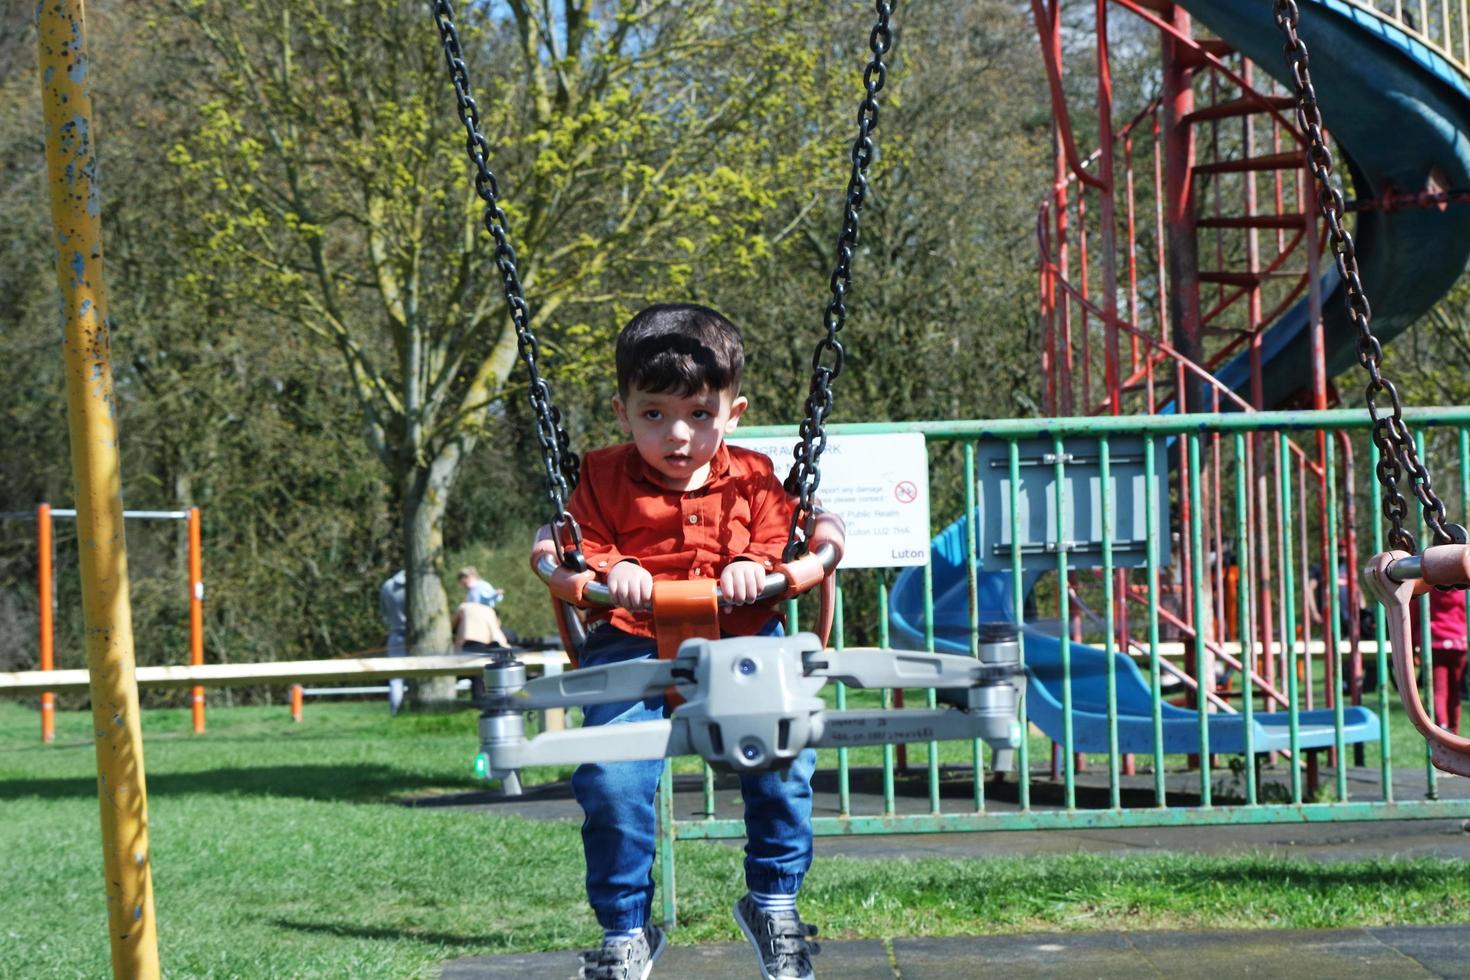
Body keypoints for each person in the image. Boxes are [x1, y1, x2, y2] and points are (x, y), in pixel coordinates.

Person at [567, 304, 820, 980]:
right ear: (622, 411)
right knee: (613, 781)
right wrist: (611, 567)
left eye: (699, 415)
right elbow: (579, 540)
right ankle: (625, 927)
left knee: (782, 755)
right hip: (629, 641)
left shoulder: (758, 475)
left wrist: (757, 566)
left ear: (732, 413)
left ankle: (772, 899)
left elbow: (784, 533)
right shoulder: (599, 475)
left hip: (741, 638)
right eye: (654, 415)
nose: (677, 436)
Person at [1412, 588, 1469, 733]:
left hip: (1434, 641)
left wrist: (1412, 644)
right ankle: (1454, 729)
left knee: (1439, 689)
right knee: (1455, 690)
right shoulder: (1463, 589)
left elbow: (1414, 614)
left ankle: (1442, 725)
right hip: (1459, 642)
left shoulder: (1427, 588)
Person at [378, 569, 407, 716]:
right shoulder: (417, 585)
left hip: (396, 635)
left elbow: (383, 613)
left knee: (396, 679)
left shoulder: (387, 586)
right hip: (417, 638)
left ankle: (396, 712)